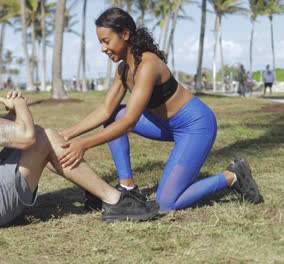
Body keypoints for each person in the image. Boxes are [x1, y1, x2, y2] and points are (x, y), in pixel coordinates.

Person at [0, 33, 159, 229]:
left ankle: (102, 195)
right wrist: (21, 105)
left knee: (45, 136)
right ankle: (114, 200)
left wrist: (12, 116)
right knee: (41, 136)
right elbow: (26, 137)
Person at [59, 7, 263, 212]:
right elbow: (105, 109)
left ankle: (233, 176)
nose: (103, 48)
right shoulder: (123, 69)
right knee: (114, 114)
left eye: (106, 41)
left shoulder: (148, 64)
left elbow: (130, 121)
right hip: (164, 124)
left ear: (125, 35)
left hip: (196, 127)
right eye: (101, 42)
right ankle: (127, 187)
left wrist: (84, 144)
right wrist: (67, 134)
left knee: (166, 203)